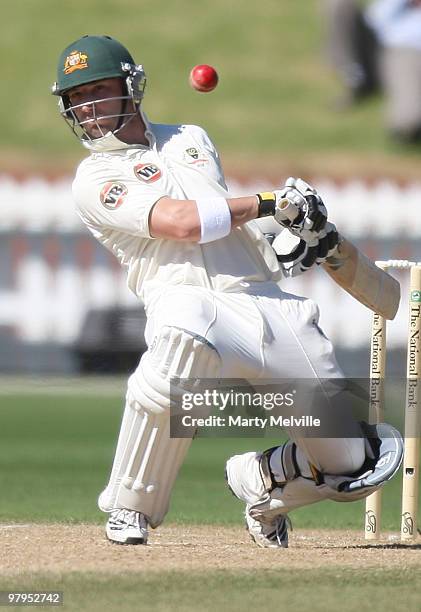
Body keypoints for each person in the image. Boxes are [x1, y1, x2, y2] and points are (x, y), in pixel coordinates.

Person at [52, 35, 403, 548]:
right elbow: (182, 223)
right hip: (186, 295)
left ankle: (262, 481)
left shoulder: (190, 137)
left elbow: (221, 215)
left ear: (132, 87)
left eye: (98, 90)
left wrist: (293, 235)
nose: (87, 108)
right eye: (76, 99)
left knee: (352, 463)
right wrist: (269, 201)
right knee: (180, 340)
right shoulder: (94, 177)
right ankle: (130, 507)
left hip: (267, 302)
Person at [323, 0, 421, 143]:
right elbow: (376, 17)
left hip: (408, 53)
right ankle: (355, 79)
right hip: (379, 44)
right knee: (338, 3)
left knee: (407, 124)